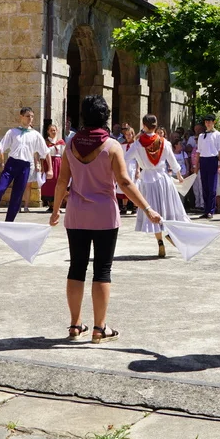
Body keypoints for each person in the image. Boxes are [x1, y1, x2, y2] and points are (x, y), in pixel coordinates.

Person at [50, 95, 161, 343]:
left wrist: (55, 210)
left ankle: (75, 325)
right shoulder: (111, 146)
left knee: (76, 267)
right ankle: (100, 328)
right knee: (102, 269)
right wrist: (147, 209)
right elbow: (124, 182)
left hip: (76, 214)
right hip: (105, 216)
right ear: (105, 117)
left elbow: (62, 181)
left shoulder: (71, 144)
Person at [125, 114, 188, 257]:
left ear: (144, 125)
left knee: (153, 212)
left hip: (147, 180)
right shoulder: (164, 142)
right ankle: (170, 234)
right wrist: (179, 175)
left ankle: (160, 241)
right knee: (168, 210)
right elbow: (172, 161)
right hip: (163, 179)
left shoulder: (138, 144)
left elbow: (126, 157)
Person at [0, 107, 50, 223]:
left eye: (32, 116)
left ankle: (9, 222)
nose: (30, 119)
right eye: (28, 116)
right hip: (12, 164)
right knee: (0, 189)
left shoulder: (36, 135)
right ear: (21, 117)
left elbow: (46, 151)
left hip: (25, 166)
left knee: (17, 195)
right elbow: (1, 147)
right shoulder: (12, 132)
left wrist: (50, 169)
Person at [195, 115, 220, 220]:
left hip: (212, 160)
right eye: (206, 122)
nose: (208, 123)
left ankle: (211, 210)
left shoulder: (218, 135)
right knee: (205, 187)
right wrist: (196, 164)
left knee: (212, 187)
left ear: (214, 122)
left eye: (210, 121)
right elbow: (199, 151)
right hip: (203, 160)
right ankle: (206, 210)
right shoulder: (201, 135)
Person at [40, 123, 65, 213]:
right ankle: (51, 205)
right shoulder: (45, 142)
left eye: (54, 130)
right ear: (48, 132)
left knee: (58, 182)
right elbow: (42, 156)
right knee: (49, 184)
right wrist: (42, 167)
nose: (53, 132)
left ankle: (56, 205)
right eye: (51, 130)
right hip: (48, 163)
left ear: (57, 131)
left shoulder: (61, 142)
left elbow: (64, 154)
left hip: (58, 163)